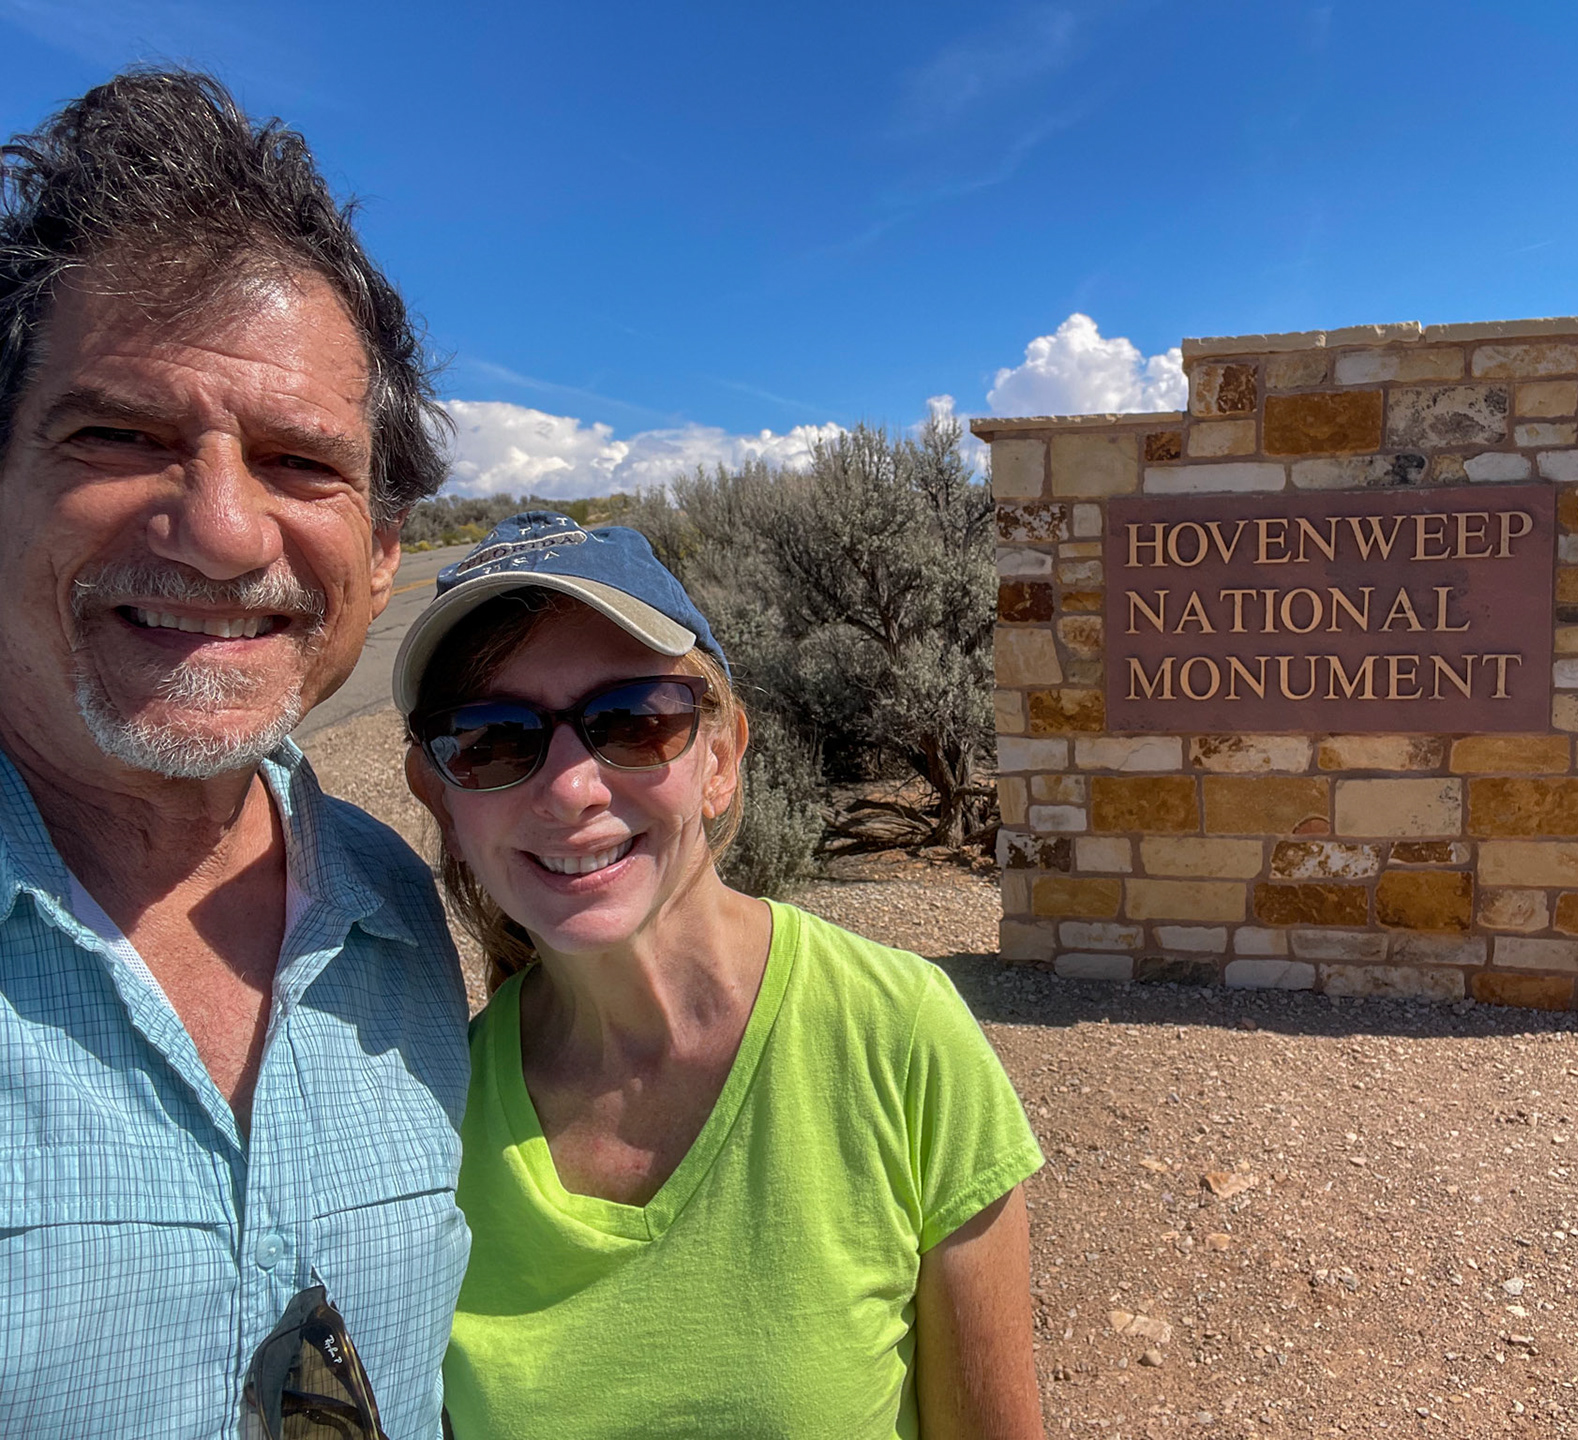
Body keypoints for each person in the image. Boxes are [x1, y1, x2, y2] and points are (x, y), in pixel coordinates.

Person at [0, 71, 469, 1437]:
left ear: (381, 555)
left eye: (300, 462)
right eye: (119, 436)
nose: (220, 531)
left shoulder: (397, 913)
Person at [394, 511, 1048, 1439]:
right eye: (491, 738)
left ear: (722, 759)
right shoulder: (429, 1121)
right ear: (441, 799)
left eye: (632, 722)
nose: (571, 789)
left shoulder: (897, 1035)